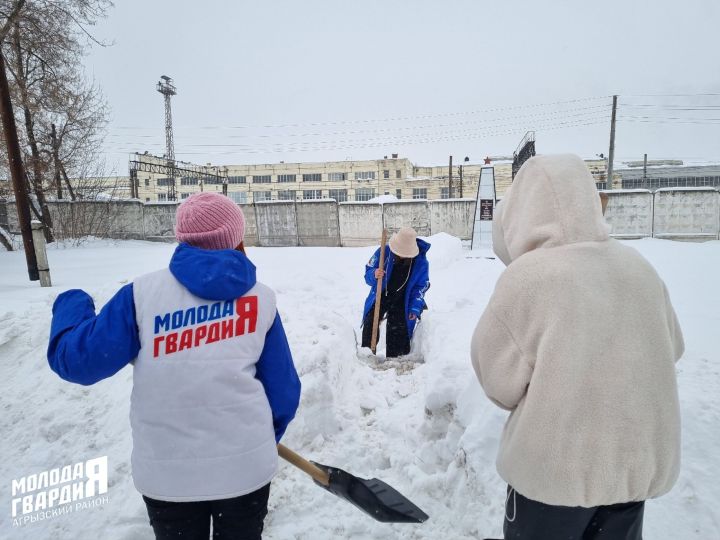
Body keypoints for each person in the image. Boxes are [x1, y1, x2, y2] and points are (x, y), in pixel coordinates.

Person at [47, 192, 301, 540]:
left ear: (182, 237)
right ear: (236, 237)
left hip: (169, 477)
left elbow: (79, 362)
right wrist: (260, 438)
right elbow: (284, 392)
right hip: (245, 471)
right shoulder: (261, 299)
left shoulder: (141, 296)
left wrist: (71, 303)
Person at [470, 154, 684, 540]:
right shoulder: (639, 268)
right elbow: (674, 349)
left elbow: (498, 384)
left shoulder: (527, 279)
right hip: (630, 471)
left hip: (552, 480)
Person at [361, 227, 430, 357]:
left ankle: (395, 360)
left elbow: (420, 287)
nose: (401, 255)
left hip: (403, 298)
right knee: (371, 322)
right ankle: (368, 354)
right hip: (382, 295)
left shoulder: (421, 262)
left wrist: (415, 308)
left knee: (397, 328)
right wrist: (374, 274)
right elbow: (368, 272)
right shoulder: (384, 252)